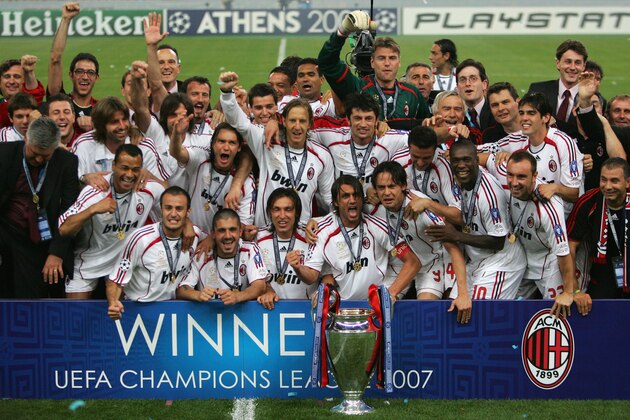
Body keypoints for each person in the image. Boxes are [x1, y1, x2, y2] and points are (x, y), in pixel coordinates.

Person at [220, 72, 334, 227]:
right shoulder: (266, 141)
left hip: (300, 234)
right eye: (292, 120)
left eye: (302, 121)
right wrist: (227, 94)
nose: (297, 126)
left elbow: (329, 201)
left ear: (310, 124)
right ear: (284, 122)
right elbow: (239, 122)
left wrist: (319, 222)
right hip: (265, 232)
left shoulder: (322, 156)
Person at [370, 161, 471, 323]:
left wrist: (463, 293)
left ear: (403, 186)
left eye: (392, 186)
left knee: (440, 311)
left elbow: (454, 249)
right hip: (421, 262)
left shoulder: (421, 210)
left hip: (443, 262)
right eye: (381, 188)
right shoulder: (379, 210)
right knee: (423, 317)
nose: (387, 193)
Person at [291, 175, 421, 300]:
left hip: (376, 304)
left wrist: (390, 293)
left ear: (361, 199)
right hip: (343, 306)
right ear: (336, 202)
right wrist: (298, 268)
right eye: (346, 196)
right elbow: (311, 277)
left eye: (356, 195)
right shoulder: (322, 231)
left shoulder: (378, 226)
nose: (352, 200)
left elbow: (413, 262)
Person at [59, 144, 164, 299]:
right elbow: (63, 228)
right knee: (75, 314)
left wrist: (187, 224)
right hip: (89, 261)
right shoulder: (95, 191)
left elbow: (174, 197)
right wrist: (93, 209)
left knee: (119, 316)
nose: (129, 174)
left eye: (135, 169)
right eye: (124, 168)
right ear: (113, 166)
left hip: (121, 263)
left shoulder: (146, 189)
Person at [426, 140, 526, 300]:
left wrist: (456, 236)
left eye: (466, 160)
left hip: (501, 261)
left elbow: (498, 241)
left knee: (480, 313)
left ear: (477, 161)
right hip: (477, 260)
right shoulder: (462, 181)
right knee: (454, 304)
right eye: (456, 161)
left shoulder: (489, 194)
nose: (461, 165)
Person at [0, 117, 79, 298]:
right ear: (27, 138)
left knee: (30, 298)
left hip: (41, 240)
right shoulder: (3, 154)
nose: (38, 159)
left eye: (45, 156)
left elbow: (70, 211)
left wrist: (57, 253)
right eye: (33, 152)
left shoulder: (67, 162)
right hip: (6, 231)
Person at [318, 10, 429, 130]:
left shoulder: (412, 94)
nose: (387, 63)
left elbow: (427, 129)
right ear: (372, 62)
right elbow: (327, 63)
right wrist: (342, 32)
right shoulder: (357, 87)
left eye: (392, 58)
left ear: (399, 62)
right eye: (381, 58)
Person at [107, 187, 202, 319]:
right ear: (161, 209)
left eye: (179, 209)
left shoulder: (195, 235)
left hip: (175, 311)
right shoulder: (141, 239)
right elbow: (116, 280)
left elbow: (216, 238)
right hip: (139, 310)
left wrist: (209, 240)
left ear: (188, 212)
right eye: (168, 208)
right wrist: (113, 303)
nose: (173, 214)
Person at [481, 93, 583, 216]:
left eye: (531, 113)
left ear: (545, 118)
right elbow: (477, 151)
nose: (524, 118)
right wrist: (499, 153)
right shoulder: (516, 139)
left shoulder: (563, 142)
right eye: (521, 113)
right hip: (530, 215)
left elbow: (574, 193)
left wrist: (554, 188)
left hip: (561, 217)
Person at [505, 152, 576, 316]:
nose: (514, 182)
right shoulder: (505, 180)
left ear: (534, 176)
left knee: (554, 315)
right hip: (522, 259)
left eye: (521, 177)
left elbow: (563, 251)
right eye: (510, 175)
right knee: (511, 312)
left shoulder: (548, 207)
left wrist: (568, 292)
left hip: (548, 264)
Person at [169, 115, 256, 233]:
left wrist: (213, 238)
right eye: (221, 141)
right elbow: (177, 152)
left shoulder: (246, 182)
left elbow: (243, 226)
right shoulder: (200, 159)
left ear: (239, 148)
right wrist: (177, 134)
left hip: (221, 245)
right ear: (213, 144)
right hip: (189, 234)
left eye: (232, 143)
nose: (226, 147)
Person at [312, 92, 407, 193]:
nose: (363, 124)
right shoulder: (332, 137)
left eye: (368, 119)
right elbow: (301, 134)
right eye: (357, 118)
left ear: (377, 120)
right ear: (348, 120)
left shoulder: (387, 139)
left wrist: (425, 121)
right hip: (343, 205)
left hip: (375, 205)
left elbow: (418, 138)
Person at [567, 158, 630, 304]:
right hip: (601, 276)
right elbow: (569, 246)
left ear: (627, 182)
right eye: (603, 180)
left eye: (614, 181)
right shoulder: (588, 202)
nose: (607, 186)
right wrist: (575, 290)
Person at [71, 96, 169, 189]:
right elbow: (69, 187)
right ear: (101, 125)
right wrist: (84, 179)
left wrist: (151, 177)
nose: (122, 126)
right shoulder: (83, 145)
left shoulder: (144, 146)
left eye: (124, 120)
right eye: (114, 122)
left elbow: (166, 189)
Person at [177, 208, 267, 305]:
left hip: (243, 317)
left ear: (240, 232)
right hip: (208, 317)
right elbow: (182, 289)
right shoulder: (202, 255)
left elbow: (260, 286)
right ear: (213, 234)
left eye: (232, 229)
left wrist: (237, 296)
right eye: (222, 230)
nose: (227, 236)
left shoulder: (250, 250)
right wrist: (198, 294)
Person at [256, 188, 315, 310]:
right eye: (276, 209)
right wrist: (266, 288)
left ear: (297, 212)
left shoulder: (311, 237)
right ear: (269, 212)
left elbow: (326, 274)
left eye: (288, 209)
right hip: (268, 311)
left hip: (305, 313)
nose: (282, 216)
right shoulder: (257, 239)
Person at [394, 125, 462, 226]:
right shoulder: (398, 161)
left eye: (426, 157)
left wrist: (427, 203)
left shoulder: (444, 166)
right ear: (409, 148)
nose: (420, 163)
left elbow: (459, 217)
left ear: (435, 150)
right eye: (415, 156)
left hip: (441, 227)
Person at [47, 2, 99, 134]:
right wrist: (65, 20)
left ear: (97, 78)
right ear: (71, 75)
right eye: (80, 71)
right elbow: (55, 58)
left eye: (91, 73)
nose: (85, 77)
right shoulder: (60, 100)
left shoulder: (101, 109)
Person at [527, 40, 588, 138]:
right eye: (568, 62)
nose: (572, 67)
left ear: (584, 66)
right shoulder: (537, 90)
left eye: (577, 63)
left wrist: (555, 124)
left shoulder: (592, 99)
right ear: (558, 63)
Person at [0, 56, 44, 128]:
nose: (11, 81)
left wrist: (29, 72)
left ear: (24, 81)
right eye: (7, 76)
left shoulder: (34, 104)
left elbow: (35, 94)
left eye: (17, 76)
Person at [456, 59, 496, 131]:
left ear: (484, 84)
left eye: (473, 78)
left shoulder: (496, 111)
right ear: (457, 87)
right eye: (462, 80)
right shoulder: (453, 114)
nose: (467, 83)